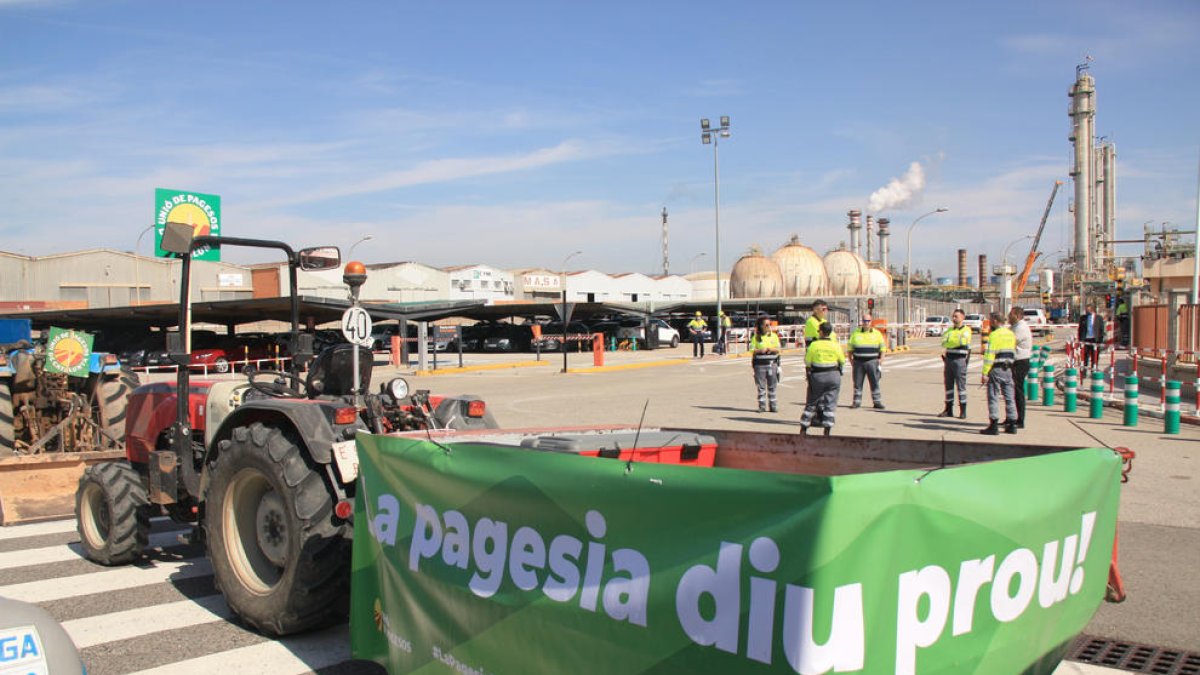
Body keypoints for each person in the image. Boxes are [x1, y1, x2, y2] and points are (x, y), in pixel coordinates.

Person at [800, 321, 845, 436]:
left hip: (818, 376)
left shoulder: (814, 345)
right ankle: (827, 430)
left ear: (820, 332)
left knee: (812, 402)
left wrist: (809, 375)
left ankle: (804, 428)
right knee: (830, 403)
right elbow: (842, 361)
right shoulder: (836, 345)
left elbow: (808, 362)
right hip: (833, 375)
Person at [980, 312, 1018, 435]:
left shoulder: (994, 335)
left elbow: (990, 355)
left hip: (996, 368)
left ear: (996, 321)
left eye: (991, 320)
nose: (990, 322)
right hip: (1008, 368)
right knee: (1009, 397)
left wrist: (985, 373)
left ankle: (994, 424)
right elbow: (1013, 352)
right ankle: (1012, 424)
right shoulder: (1011, 334)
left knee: (993, 396)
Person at [938, 309, 972, 419]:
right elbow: (943, 342)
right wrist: (954, 341)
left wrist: (951, 342)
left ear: (962, 317)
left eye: (956, 316)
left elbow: (963, 342)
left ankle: (963, 410)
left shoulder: (966, 330)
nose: (954, 318)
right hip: (948, 359)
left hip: (960, 360)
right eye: (953, 316)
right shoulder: (949, 330)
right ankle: (948, 409)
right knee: (948, 385)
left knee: (961, 386)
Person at [847, 314, 885, 409]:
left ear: (871, 322)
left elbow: (883, 348)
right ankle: (856, 402)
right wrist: (850, 360)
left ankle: (877, 402)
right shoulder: (856, 333)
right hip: (858, 362)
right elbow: (850, 348)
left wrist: (881, 359)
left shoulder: (877, 333)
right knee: (857, 383)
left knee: (875, 382)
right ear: (862, 322)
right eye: (864, 321)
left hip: (872, 361)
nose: (866, 323)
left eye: (868, 321)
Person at [749, 316, 781, 412]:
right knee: (761, 387)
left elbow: (778, 349)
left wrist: (771, 349)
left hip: (772, 364)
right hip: (760, 365)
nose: (768, 326)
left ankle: (773, 406)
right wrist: (759, 350)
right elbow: (751, 350)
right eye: (766, 324)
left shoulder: (774, 336)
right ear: (761, 326)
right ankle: (762, 406)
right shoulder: (756, 337)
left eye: (769, 324)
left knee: (772, 386)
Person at [1008, 305, 1033, 429]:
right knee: (1011, 391)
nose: (1008, 317)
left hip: (1020, 361)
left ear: (1017, 316)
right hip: (1014, 361)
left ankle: (1020, 419)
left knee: (1018, 391)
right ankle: (1011, 417)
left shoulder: (1021, 328)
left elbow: (1009, 341)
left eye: (1010, 315)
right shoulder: (1014, 326)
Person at [1077, 304, 1105, 371]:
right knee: (1085, 356)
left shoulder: (1099, 318)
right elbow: (1080, 329)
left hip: (1095, 340)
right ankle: (1084, 371)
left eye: (1088, 310)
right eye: (1086, 310)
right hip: (1086, 340)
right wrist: (1080, 340)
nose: (1087, 311)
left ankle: (1094, 370)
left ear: (1092, 310)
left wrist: (1100, 340)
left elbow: (1101, 329)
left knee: (1094, 356)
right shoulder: (1083, 318)